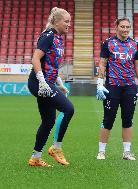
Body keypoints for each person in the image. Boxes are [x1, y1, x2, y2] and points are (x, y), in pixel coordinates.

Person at [27, 7, 74, 167]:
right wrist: (42, 82)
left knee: (48, 121)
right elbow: (35, 59)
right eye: (66, 21)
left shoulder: (59, 38)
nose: (69, 24)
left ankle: (35, 157)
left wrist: (59, 83)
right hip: (38, 83)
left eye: (70, 21)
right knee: (68, 109)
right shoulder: (48, 36)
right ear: (56, 21)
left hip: (48, 83)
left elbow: (51, 64)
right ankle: (56, 148)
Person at [96, 17, 138, 160]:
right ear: (116, 27)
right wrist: (100, 83)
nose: (125, 29)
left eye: (127, 27)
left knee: (128, 120)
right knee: (108, 119)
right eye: (123, 27)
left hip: (130, 87)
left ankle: (126, 152)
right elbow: (102, 63)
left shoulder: (134, 45)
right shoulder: (108, 43)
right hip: (112, 87)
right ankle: (101, 151)